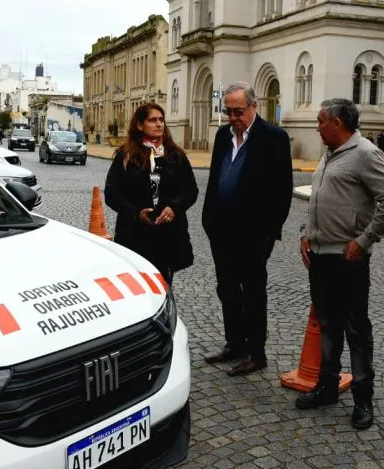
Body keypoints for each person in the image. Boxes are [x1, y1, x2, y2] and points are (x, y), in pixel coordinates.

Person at [295, 98, 384, 430]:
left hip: (348, 259)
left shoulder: (366, 153)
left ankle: (363, 399)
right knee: (328, 325)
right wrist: (306, 233)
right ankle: (327, 386)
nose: (317, 127)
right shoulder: (329, 153)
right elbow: (320, 200)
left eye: (320, 121)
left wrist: (365, 240)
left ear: (337, 123)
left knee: (356, 329)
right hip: (320, 257)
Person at [201, 81, 294, 377]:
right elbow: (215, 178)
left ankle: (256, 353)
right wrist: (208, 219)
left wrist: (269, 232)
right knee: (227, 289)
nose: (233, 117)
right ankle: (235, 344)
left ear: (254, 106)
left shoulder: (273, 138)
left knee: (253, 292)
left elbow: (283, 190)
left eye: (238, 111)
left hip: (254, 235)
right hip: (221, 231)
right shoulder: (222, 135)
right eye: (228, 111)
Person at [104, 102, 198, 287]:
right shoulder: (126, 155)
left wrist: (174, 207)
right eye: (152, 120)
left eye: (161, 120)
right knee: (136, 287)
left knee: (162, 287)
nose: (159, 124)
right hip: (134, 235)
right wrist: (135, 212)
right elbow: (112, 193)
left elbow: (190, 190)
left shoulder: (175, 155)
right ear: (140, 125)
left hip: (168, 236)